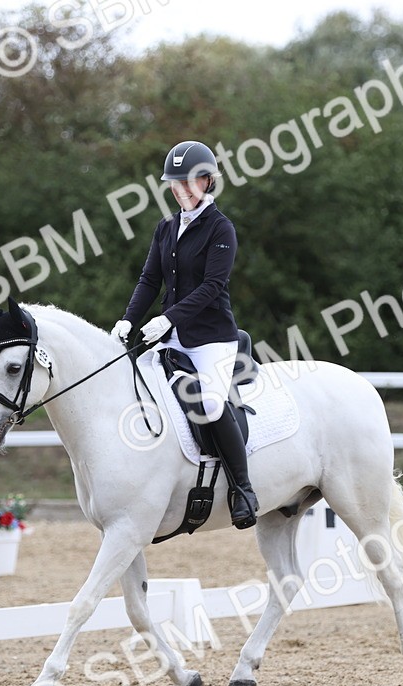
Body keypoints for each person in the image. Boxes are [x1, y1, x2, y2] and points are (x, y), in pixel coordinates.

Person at [111, 140, 260, 529]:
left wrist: (168, 319)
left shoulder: (220, 228)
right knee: (133, 386)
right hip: (170, 335)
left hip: (212, 337)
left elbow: (212, 285)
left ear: (208, 182)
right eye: (175, 183)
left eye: (191, 181)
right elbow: (149, 279)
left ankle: (243, 488)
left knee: (209, 406)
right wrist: (128, 320)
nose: (182, 189)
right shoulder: (165, 227)